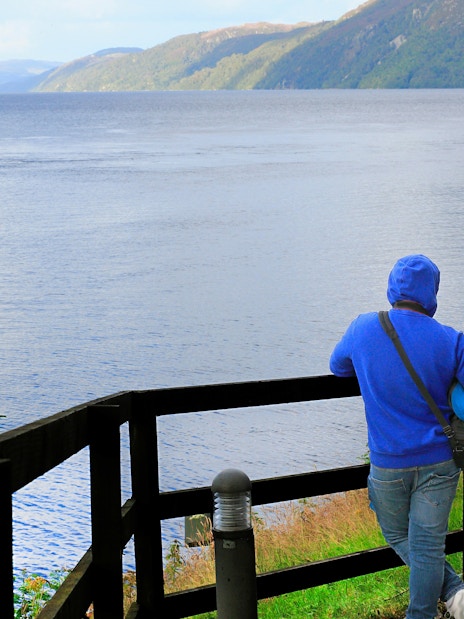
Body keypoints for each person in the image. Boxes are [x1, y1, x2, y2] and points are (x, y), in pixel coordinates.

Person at [329, 254, 464, 619]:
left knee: (398, 536)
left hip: (389, 462)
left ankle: (428, 609)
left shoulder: (362, 328)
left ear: (393, 287)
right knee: (427, 544)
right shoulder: (452, 340)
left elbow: (337, 366)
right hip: (441, 459)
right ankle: (453, 592)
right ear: (431, 293)